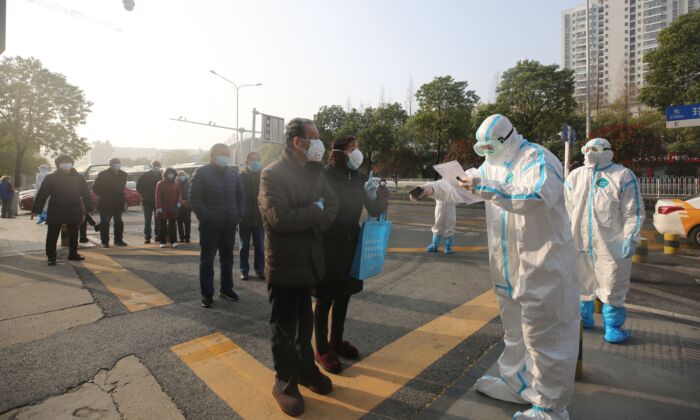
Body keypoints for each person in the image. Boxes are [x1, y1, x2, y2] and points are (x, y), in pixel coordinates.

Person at [421, 115, 580, 420]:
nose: (486, 154)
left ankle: (550, 407)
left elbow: (534, 196)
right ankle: (516, 383)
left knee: (545, 337)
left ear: (508, 138)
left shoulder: (538, 158)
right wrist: (432, 189)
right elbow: (465, 185)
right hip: (508, 267)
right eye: (482, 149)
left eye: (490, 147)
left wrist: (484, 185)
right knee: (515, 332)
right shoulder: (492, 164)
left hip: (542, 266)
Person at [259, 118, 339, 416]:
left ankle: (306, 370)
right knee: (283, 328)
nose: (319, 141)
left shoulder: (316, 172)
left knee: (304, 324)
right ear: (297, 142)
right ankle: (284, 383)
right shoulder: (272, 174)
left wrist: (311, 215)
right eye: (315, 136)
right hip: (284, 263)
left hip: (309, 260)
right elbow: (280, 219)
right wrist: (313, 211)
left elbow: (331, 207)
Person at [313, 135, 387, 374]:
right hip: (327, 243)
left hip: (352, 243)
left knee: (344, 294)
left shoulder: (359, 177)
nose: (357, 152)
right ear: (339, 152)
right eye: (352, 148)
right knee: (325, 298)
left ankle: (337, 341)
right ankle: (322, 348)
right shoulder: (323, 174)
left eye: (357, 147)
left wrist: (377, 196)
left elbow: (374, 209)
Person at [565, 138, 644, 344]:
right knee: (580, 282)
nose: (590, 152)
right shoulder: (575, 176)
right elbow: (565, 210)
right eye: (587, 148)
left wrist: (630, 237)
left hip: (611, 245)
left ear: (608, 151)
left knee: (612, 284)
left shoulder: (622, 175)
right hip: (578, 242)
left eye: (596, 149)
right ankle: (584, 318)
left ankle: (613, 327)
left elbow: (633, 212)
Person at [189, 143, 245, 308]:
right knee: (207, 261)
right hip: (210, 227)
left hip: (229, 225)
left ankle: (226, 289)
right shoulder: (201, 173)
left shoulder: (233, 173)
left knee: (227, 260)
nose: (224, 157)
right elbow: (194, 198)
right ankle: (207, 294)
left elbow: (240, 195)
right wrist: (206, 218)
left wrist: (239, 214)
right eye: (221, 154)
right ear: (212, 156)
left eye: (226, 154)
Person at [31, 155, 92, 265]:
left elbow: (86, 194)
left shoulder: (79, 177)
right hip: (56, 209)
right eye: (63, 162)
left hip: (74, 208)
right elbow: (42, 194)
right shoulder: (51, 178)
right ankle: (51, 257)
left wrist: (89, 208)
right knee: (52, 235)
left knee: (74, 234)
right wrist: (36, 209)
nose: (66, 164)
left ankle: (73, 254)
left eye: (68, 161)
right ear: (58, 164)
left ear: (72, 163)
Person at [239, 151, 265, 280]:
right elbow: (237, 196)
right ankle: (244, 270)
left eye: (257, 160)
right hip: (244, 218)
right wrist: (239, 213)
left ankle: (260, 270)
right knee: (244, 246)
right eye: (252, 160)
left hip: (260, 218)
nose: (255, 162)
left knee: (260, 245)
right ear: (247, 161)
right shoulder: (241, 176)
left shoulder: (263, 175)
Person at [94, 157, 128, 248]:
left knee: (118, 222)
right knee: (105, 223)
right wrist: (106, 193)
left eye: (118, 162)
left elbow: (122, 188)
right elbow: (96, 188)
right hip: (106, 202)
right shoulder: (103, 174)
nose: (117, 164)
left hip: (118, 202)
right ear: (110, 164)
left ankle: (118, 240)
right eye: (114, 163)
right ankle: (104, 242)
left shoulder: (123, 174)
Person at [136, 160, 162, 244]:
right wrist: (144, 195)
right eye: (155, 165)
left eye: (158, 165)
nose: (156, 167)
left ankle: (158, 236)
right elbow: (138, 187)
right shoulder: (145, 176)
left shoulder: (162, 176)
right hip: (147, 202)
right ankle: (147, 237)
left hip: (158, 202)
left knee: (158, 219)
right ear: (151, 166)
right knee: (147, 221)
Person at [156, 167, 181, 248]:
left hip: (173, 206)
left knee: (172, 225)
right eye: (169, 173)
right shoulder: (160, 183)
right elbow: (157, 196)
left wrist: (179, 202)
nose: (171, 175)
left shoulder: (176, 183)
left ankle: (174, 241)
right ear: (165, 174)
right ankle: (162, 242)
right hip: (163, 206)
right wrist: (158, 206)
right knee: (162, 225)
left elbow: (179, 194)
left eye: (172, 173)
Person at [176, 170, 192, 243]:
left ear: (185, 175)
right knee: (179, 222)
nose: (180, 176)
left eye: (182, 175)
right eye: (179, 175)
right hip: (179, 205)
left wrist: (186, 202)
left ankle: (187, 237)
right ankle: (181, 237)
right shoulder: (176, 184)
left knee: (187, 222)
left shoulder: (188, 184)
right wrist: (180, 202)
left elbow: (191, 195)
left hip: (187, 206)